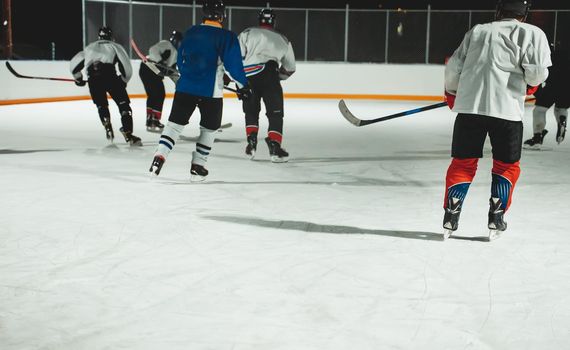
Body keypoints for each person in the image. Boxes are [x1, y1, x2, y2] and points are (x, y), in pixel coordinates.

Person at [442, 0, 551, 240]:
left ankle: (451, 214)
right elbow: (538, 73)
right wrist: (531, 84)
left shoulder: (478, 30)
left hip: (470, 109)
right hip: (507, 111)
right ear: (525, 13)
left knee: (462, 163)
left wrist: (452, 92)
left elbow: (454, 68)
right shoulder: (534, 33)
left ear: (499, 10)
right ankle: (496, 217)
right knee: (506, 166)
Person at [148, 0, 251, 181]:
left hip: (185, 88)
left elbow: (181, 61)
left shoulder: (191, 32)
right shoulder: (227, 37)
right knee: (209, 130)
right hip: (210, 93)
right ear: (222, 15)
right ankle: (198, 166)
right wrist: (243, 86)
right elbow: (234, 67)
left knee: (174, 126)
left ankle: (159, 157)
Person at [237, 8, 296, 162]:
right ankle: (275, 147)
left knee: (251, 111)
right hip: (270, 76)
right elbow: (290, 68)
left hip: (248, 76)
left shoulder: (247, 33)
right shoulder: (283, 39)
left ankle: (251, 142)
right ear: (273, 21)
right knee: (275, 113)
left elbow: (236, 57)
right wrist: (276, 78)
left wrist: (238, 81)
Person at [70, 26, 141, 146]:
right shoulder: (115, 46)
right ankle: (128, 133)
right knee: (124, 105)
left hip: (93, 80)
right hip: (111, 78)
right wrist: (124, 80)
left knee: (101, 105)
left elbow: (74, 65)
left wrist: (78, 79)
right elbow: (126, 66)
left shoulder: (89, 47)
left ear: (99, 36)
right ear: (110, 36)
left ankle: (107, 125)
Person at [523, 42, 569, 149]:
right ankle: (562, 120)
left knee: (539, 110)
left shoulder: (550, 54)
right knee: (561, 108)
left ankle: (537, 137)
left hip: (552, 84)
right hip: (567, 85)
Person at [139, 30, 183, 133]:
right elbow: (153, 50)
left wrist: (179, 83)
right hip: (148, 69)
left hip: (150, 71)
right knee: (159, 94)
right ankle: (154, 119)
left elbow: (171, 71)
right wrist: (160, 61)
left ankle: (150, 120)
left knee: (154, 95)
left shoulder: (175, 54)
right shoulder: (167, 44)